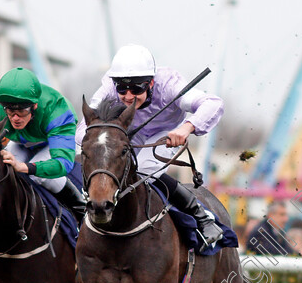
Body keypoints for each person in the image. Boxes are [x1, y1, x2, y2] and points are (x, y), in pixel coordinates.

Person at [75, 44, 225, 247]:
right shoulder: (109, 88)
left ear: (151, 83)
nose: (128, 95)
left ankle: (201, 216)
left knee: (145, 170)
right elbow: (84, 126)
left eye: (136, 88)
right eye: (122, 88)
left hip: (165, 133)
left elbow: (213, 103)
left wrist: (187, 128)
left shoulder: (170, 85)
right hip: (127, 135)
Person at [0, 67, 85, 222]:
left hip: (51, 143)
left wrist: (25, 167)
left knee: (40, 178)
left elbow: (63, 164)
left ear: (34, 105)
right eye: (10, 110)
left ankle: (81, 213)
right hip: (19, 142)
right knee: (5, 171)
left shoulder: (58, 111)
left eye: (22, 110)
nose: (15, 117)